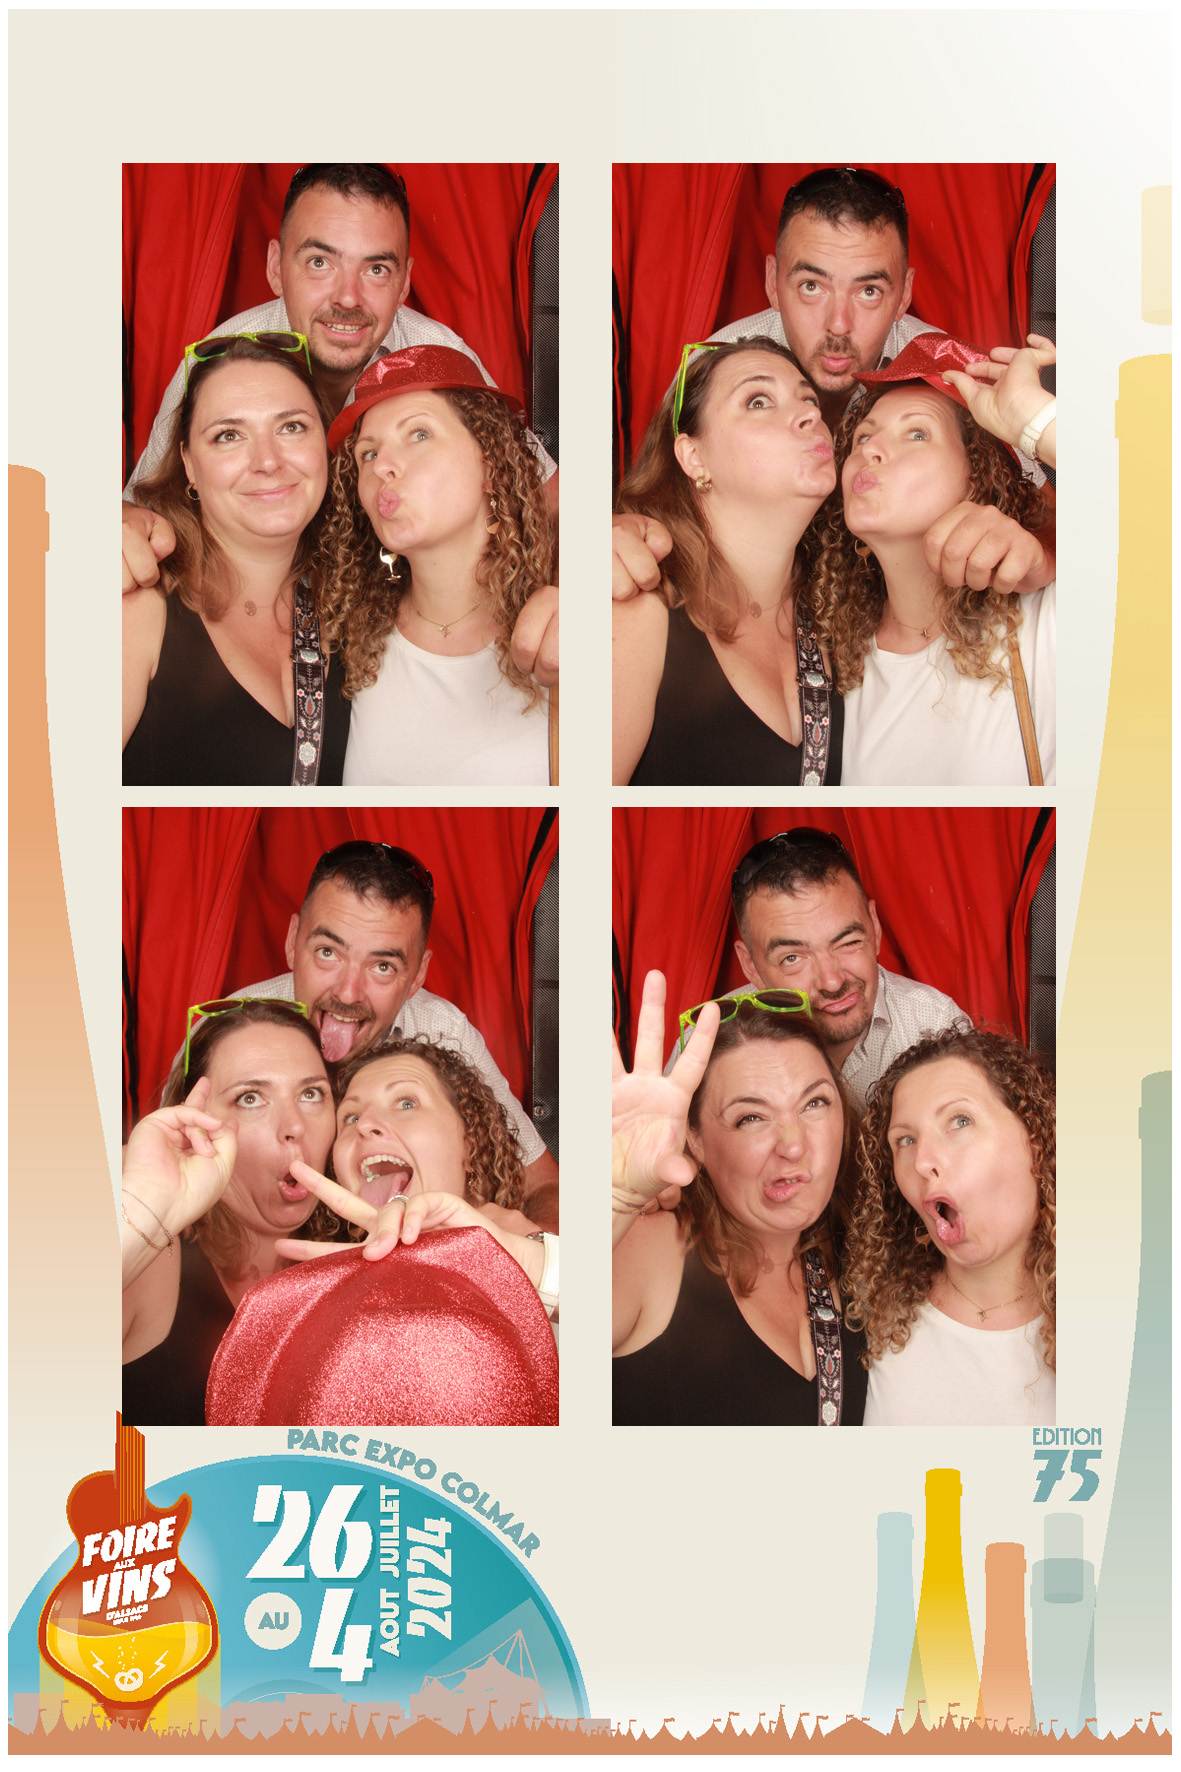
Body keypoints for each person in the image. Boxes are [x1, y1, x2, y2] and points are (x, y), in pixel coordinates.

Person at [123, 165, 559, 689]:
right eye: (319, 262)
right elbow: (143, 508)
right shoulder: (217, 363)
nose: (348, 298)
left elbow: (543, 492)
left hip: (381, 625)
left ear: (405, 282)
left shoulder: (438, 355)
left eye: (376, 269)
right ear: (275, 267)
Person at [613, 166, 1053, 608]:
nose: (838, 324)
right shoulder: (717, 369)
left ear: (904, 294)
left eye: (869, 291)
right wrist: (628, 532)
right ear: (772, 283)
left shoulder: (946, 367)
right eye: (811, 286)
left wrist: (1043, 558)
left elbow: (1046, 515)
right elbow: (658, 504)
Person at [206, 1037, 558, 1427]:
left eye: (406, 1103)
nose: (365, 1125)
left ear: (470, 1142)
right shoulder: (311, 1306)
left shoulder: (537, 1263)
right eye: (350, 1117)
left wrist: (534, 1268)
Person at [226, 838, 559, 1225]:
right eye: (328, 952)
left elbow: (544, 1185)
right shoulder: (228, 1030)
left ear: (417, 974)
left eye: (382, 966)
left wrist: (531, 1248)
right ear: (292, 942)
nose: (348, 993)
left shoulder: (444, 1031)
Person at [612, 972, 868, 1426]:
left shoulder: (867, 1247)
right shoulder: (653, 1249)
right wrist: (612, 1201)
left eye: (814, 1103)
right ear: (695, 1139)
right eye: (751, 1117)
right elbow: (523, 1331)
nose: (793, 1145)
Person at [812, 334, 1055, 786]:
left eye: (917, 433)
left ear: (975, 480)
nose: (869, 449)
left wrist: (1034, 419)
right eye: (863, 436)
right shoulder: (832, 663)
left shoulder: (1044, 621)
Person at [321, 347, 556, 785]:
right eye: (368, 454)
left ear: (490, 462)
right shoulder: (341, 640)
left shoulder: (569, 624)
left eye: (418, 434)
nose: (382, 466)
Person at [122, 335, 350, 786]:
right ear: (188, 464)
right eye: (228, 435)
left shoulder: (357, 599)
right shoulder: (137, 605)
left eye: (292, 427)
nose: (267, 461)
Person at [612, 338, 840, 785]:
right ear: (694, 457)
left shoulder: (839, 609)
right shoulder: (637, 607)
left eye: (809, 400)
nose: (809, 415)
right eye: (758, 401)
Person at [121, 999, 338, 1425]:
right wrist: (143, 1207)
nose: (294, 1126)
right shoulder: (154, 1253)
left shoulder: (357, 1246)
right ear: (195, 1122)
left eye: (311, 1093)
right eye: (250, 1098)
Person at [843, 1025, 1055, 1426]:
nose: (923, 1161)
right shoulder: (865, 1313)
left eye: (960, 1121)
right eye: (905, 1140)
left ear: (1035, 1135)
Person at [668, 828, 965, 1111]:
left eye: (848, 943)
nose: (832, 982)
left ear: (874, 928)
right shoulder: (703, 1044)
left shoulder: (937, 1024)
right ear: (751, 966)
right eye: (792, 958)